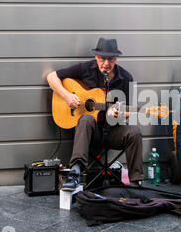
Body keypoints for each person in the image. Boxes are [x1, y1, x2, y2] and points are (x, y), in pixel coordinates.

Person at [47, 38, 144, 190]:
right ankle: (75, 172)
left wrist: (118, 114)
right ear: (96, 57)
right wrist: (67, 96)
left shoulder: (125, 78)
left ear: (116, 59)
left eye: (110, 60)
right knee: (86, 118)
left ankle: (136, 182)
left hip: (112, 132)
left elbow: (126, 113)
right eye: (102, 59)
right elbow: (51, 77)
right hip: (88, 133)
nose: (106, 63)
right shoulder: (86, 68)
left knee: (134, 132)